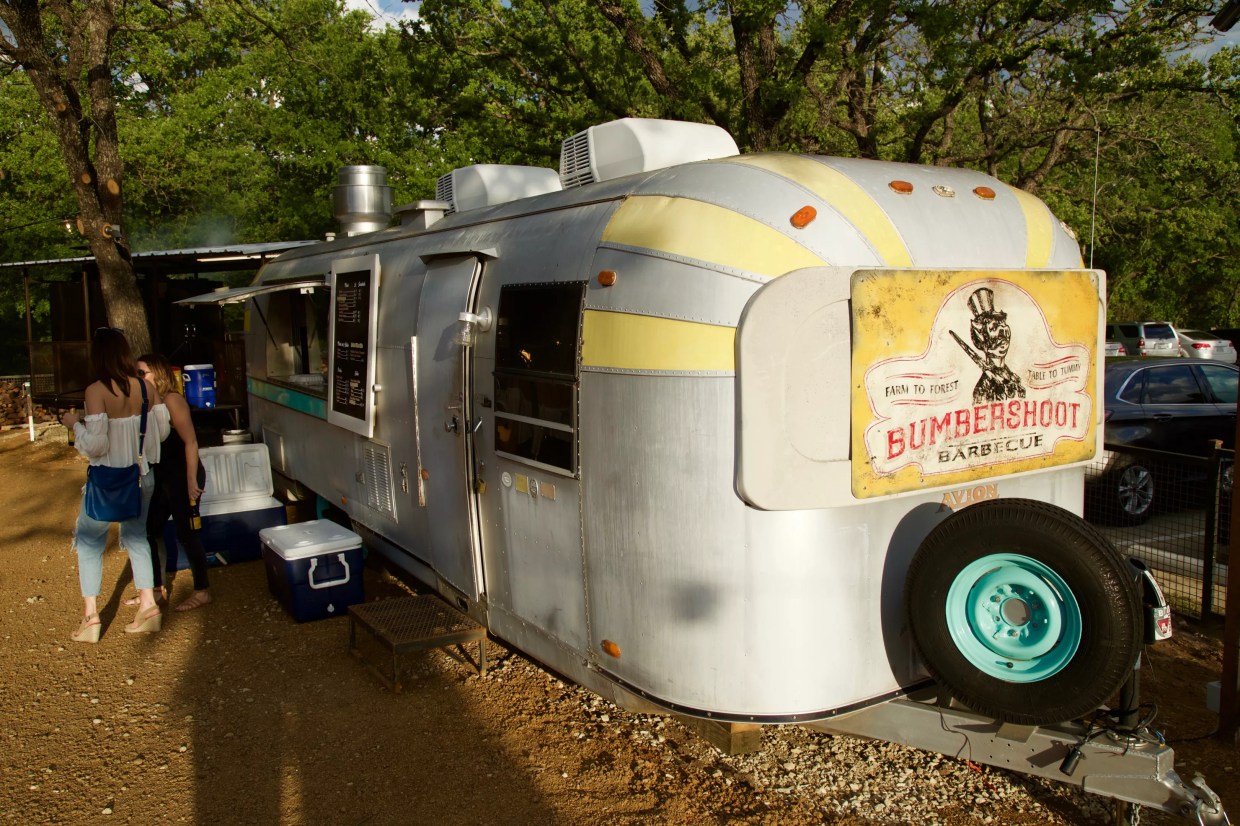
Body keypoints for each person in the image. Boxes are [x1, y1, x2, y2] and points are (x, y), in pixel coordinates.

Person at [60, 327, 170, 642]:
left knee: (89, 543)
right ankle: (149, 606)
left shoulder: (96, 390)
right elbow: (161, 433)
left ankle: (90, 617)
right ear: (124, 353)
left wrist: (74, 425)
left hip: (108, 481)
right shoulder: (147, 387)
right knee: (137, 539)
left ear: (98, 355)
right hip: (141, 476)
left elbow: (95, 446)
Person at [136, 353, 212, 612]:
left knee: (187, 533)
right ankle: (156, 588)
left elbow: (190, 442)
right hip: (162, 476)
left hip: (183, 474)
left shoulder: (172, 400)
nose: (139, 378)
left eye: (143, 372)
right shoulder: (146, 403)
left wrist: (192, 480)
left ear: (158, 373)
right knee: (150, 528)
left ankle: (202, 590)